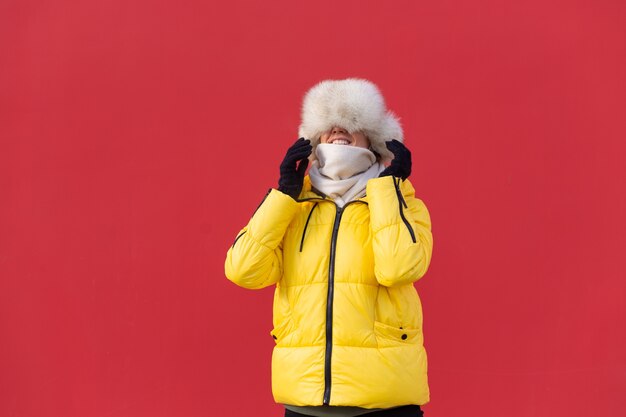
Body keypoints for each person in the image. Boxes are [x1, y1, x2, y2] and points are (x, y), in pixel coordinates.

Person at [225, 78, 433, 417]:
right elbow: (243, 270)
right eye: (328, 126)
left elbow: (399, 267)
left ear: (373, 138)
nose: (338, 130)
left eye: (351, 123)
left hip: (385, 400)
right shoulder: (294, 204)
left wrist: (387, 189)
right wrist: (283, 197)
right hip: (305, 399)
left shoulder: (402, 202)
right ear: (314, 137)